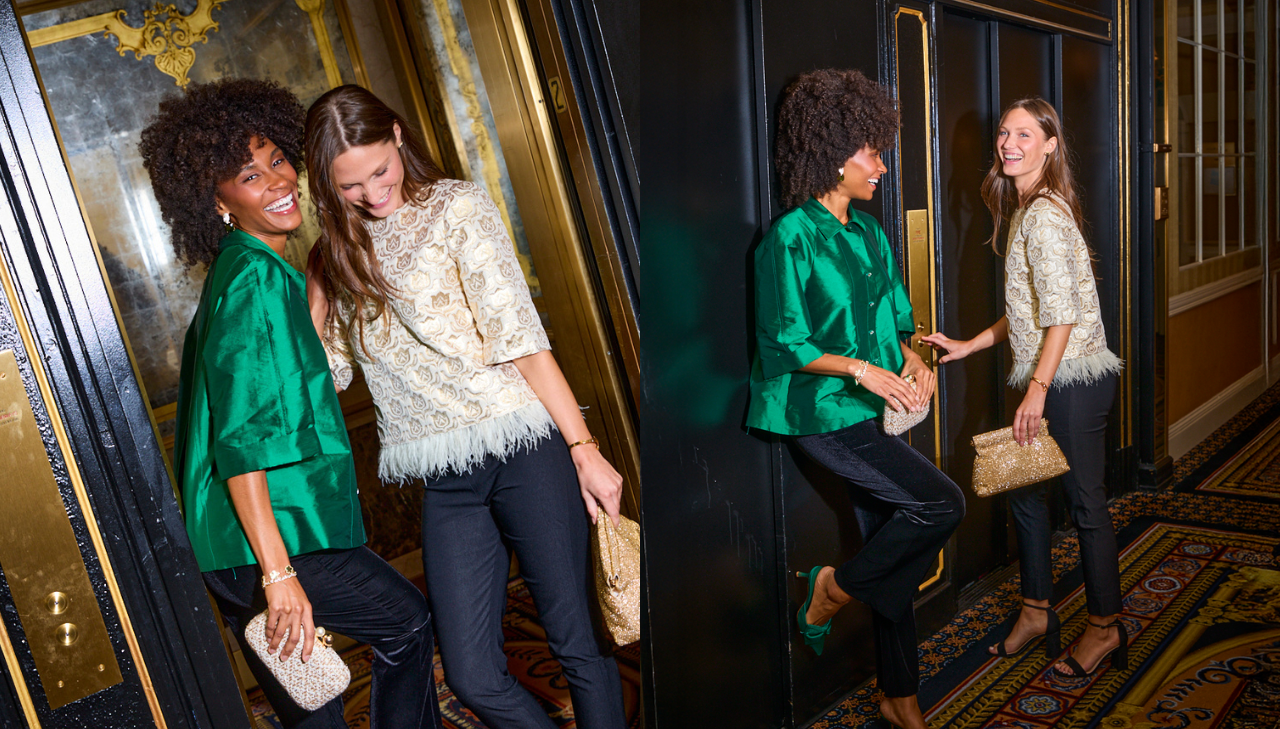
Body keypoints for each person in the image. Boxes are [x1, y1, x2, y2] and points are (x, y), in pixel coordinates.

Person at [302, 85, 626, 729]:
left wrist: (584, 449)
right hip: (447, 479)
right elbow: (326, 374)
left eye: (379, 171)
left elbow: (524, 345)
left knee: (577, 646)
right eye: (350, 186)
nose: (372, 193)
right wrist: (319, 281)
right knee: (474, 676)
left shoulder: (457, 208)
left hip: (523, 449)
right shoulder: (335, 256)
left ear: (397, 135)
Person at [142, 78, 443, 729]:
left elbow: (290, 368)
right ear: (216, 199)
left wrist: (319, 280)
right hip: (265, 540)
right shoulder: (252, 282)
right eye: (249, 175)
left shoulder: (254, 266)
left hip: (240, 540)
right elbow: (243, 439)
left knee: (313, 701)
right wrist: (279, 576)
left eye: (279, 159)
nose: (278, 180)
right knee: (405, 623)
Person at [745, 68, 965, 729]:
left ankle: (900, 697)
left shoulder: (870, 234)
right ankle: (829, 589)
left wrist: (915, 358)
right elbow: (786, 341)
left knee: (893, 542)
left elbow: (899, 317)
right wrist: (864, 371)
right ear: (832, 152)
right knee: (939, 503)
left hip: (872, 412)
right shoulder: (788, 238)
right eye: (871, 151)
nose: (882, 166)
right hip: (820, 414)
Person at [922, 97, 1126, 679]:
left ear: (1050, 145)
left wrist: (1036, 390)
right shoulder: (1027, 210)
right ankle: (1037, 611)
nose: (1009, 144)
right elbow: (1029, 310)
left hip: (1071, 380)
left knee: (1086, 503)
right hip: (1049, 374)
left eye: (1024, 135)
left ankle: (1105, 627)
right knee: (1025, 494)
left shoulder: (1042, 215)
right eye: (1004, 135)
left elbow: (1060, 318)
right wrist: (969, 346)